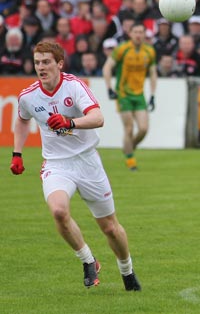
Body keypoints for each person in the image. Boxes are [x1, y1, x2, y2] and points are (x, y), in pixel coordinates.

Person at [9, 41, 141, 291]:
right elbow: (23, 121)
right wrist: (18, 153)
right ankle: (88, 261)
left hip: (87, 161)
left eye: (46, 62)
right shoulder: (28, 96)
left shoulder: (74, 86)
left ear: (59, 63)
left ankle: (127, 270)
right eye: (37, 62)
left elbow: (98, 117)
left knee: (110, 228)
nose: (41, 67)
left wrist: (70, 123)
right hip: (57, 164)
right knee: (59, 211)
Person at [102, 22, 157, 171]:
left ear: (145, 35)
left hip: (139, 95)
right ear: (130, 34)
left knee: (144, 128)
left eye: (141, 32)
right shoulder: (122, 49)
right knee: (129, 128)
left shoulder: (149, 51)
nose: (138, 35)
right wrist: (109, 88)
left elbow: (152, 73)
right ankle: (130, 160)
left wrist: (152, 95)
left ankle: (129, 147)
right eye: (136, 32)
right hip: (123, 94)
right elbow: (107, 67)